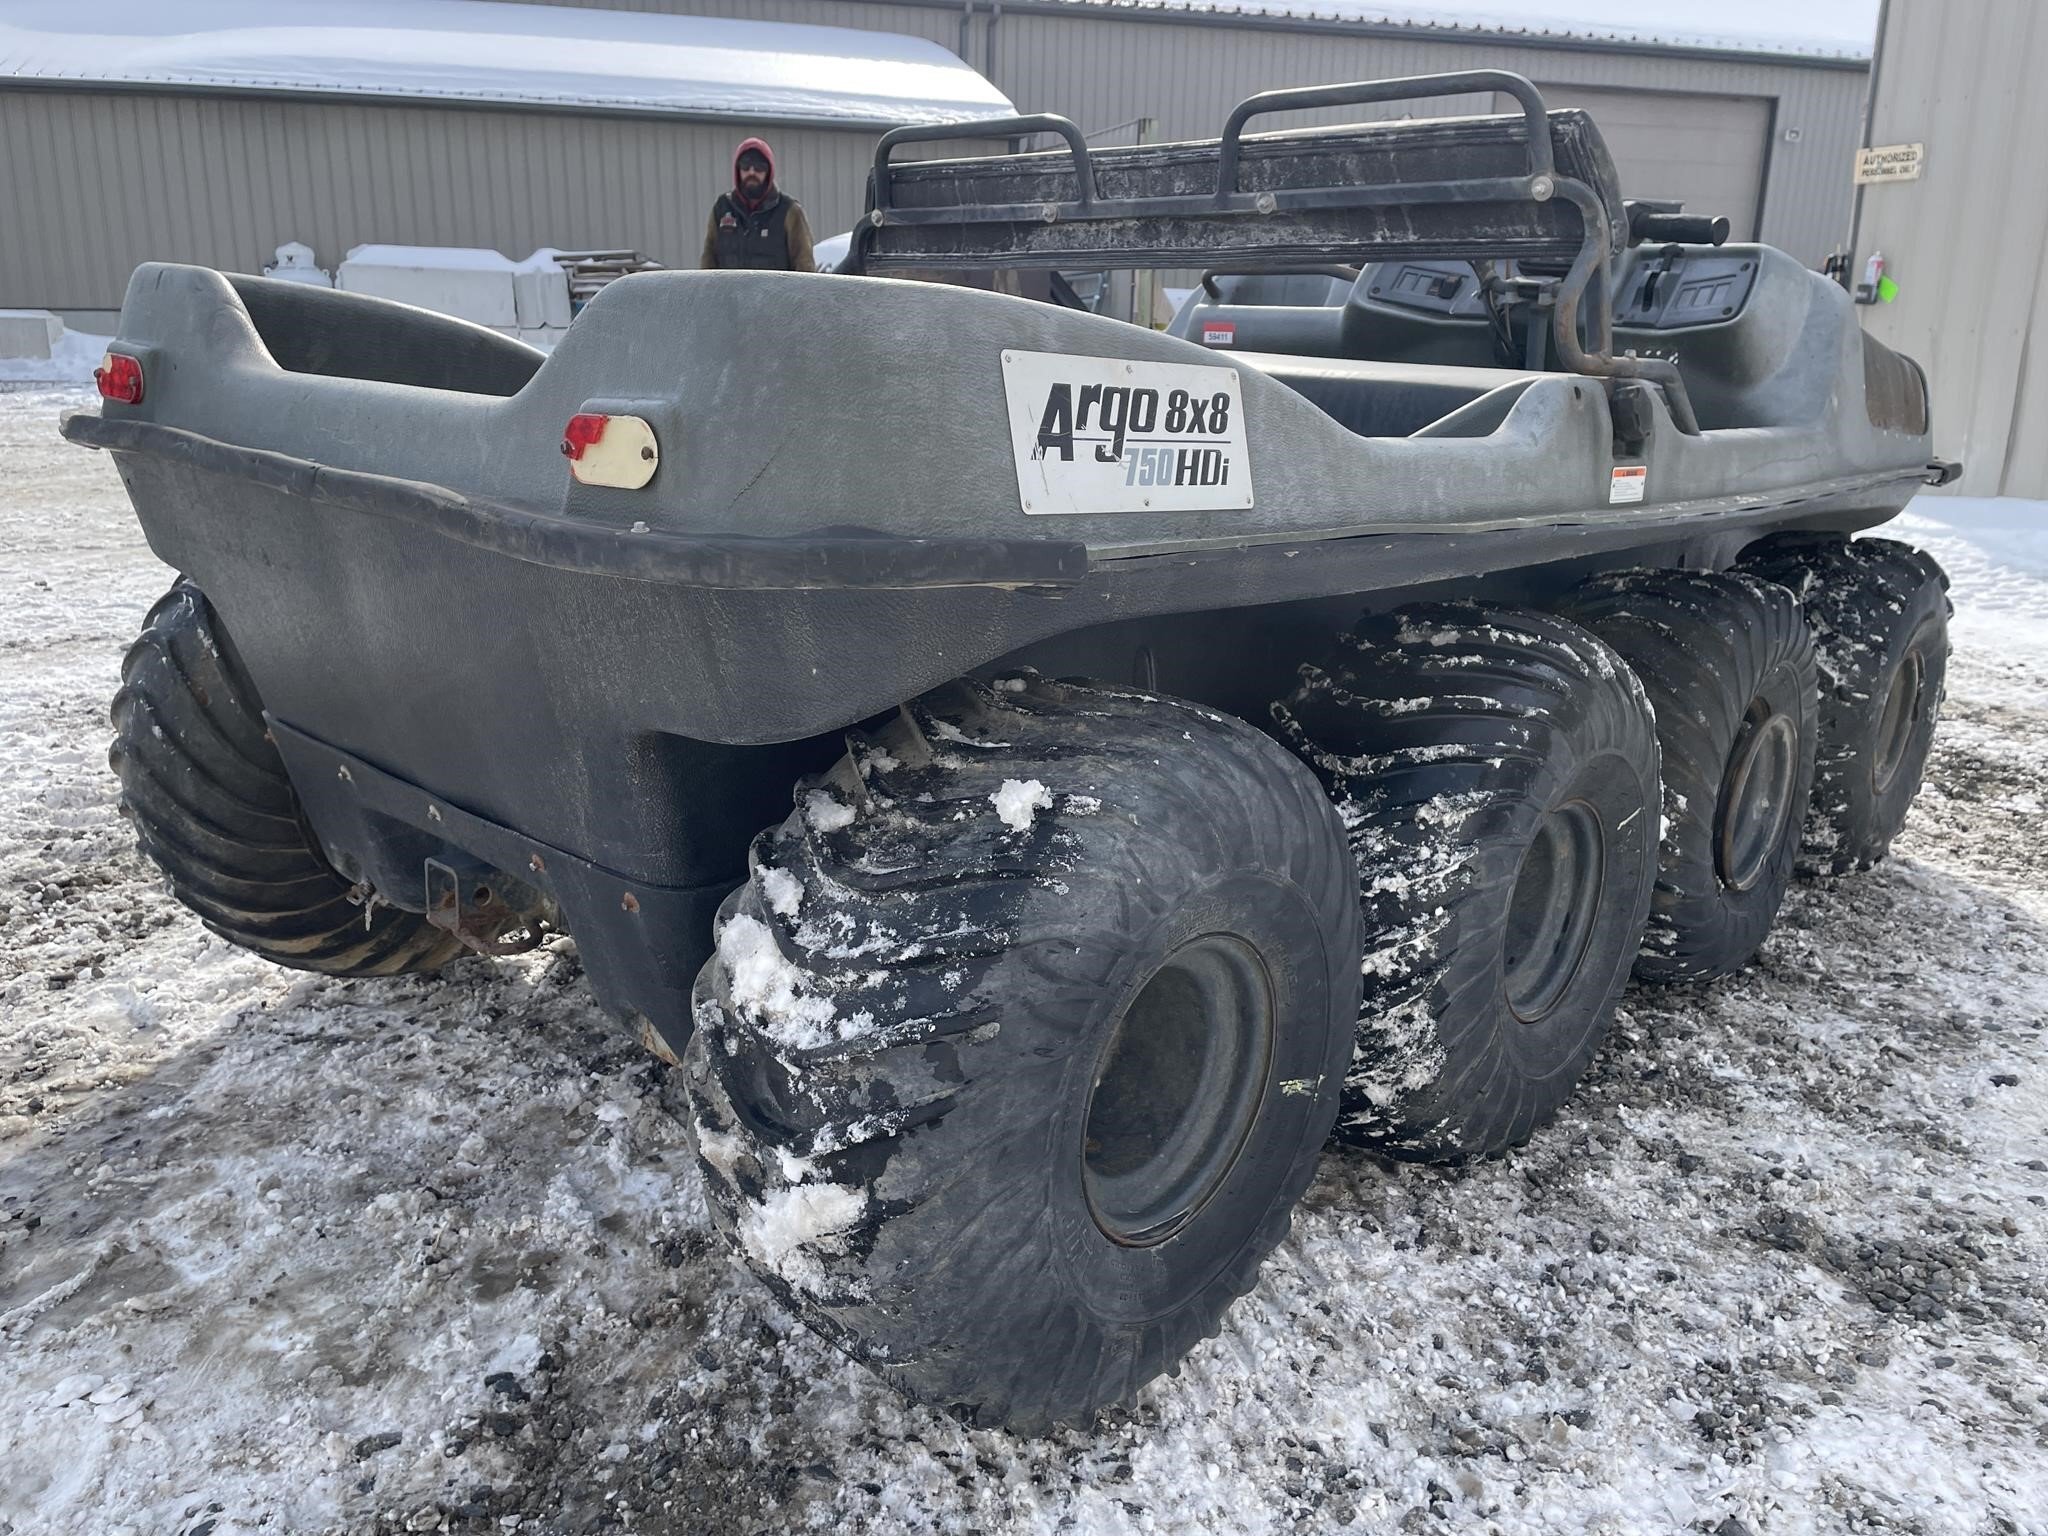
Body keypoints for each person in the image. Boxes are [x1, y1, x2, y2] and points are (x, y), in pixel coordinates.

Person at [699, 138, 817, 273]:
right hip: (730, 294)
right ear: (738, 170)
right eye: (745, 165)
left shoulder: (790, 211)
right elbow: (708, 258)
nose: (751, 172)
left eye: (759, 167)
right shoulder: (722, 209)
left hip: (775, 294)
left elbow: (804, 263)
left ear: (769, 171)